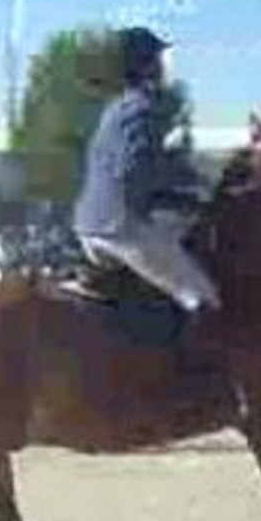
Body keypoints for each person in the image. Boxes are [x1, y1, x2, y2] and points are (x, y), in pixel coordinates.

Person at [72, 26, 219, 316]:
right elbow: (135, 165)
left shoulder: (116, 107)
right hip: (121, 227)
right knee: (205, 300)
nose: (163, 66)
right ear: (145, 64)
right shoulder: (148, 105)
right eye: (157, 59)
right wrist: (195, 192)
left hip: (88, 226)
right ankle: (194, 362)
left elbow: (148, 162)